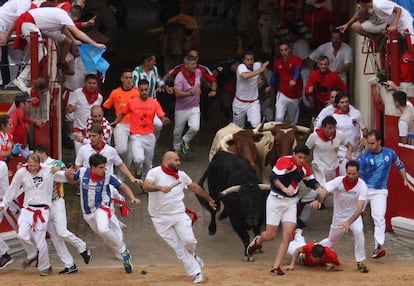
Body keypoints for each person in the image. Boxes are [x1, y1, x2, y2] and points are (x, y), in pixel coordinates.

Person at [246, 144, 327, 276]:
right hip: (276, 200)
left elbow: (310, 182)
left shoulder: (304, 168)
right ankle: (258, 241)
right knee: (271, 234)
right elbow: (274, 178)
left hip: (290, 203)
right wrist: (284, 188)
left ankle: (276, 266)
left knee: (288, 236)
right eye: (299, 157)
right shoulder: (284, 161)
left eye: (304, 158)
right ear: (294, 154)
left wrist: (319, 188)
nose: (301, 160)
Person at [143, 151, 216, 284]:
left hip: (179, 215)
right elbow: (146, 186)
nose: (179, 162)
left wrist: (209, 199)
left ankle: (192, 255)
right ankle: (196, 272)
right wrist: (160, 188)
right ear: (167, 161)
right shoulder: (154, 172)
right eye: (176, 160)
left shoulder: (181, 175)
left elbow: (194, 186)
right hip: (159, 218)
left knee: (189, 241)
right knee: (178, 248)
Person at [0, 6, 106, 91]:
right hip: (29, 23)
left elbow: (66, 32)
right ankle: (21, 79)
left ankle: (60, 63)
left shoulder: (61, 15)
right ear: (75, 18)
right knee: (41, 53)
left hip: (32, 24)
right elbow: (77, 32)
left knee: (61, 43)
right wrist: (96, 45)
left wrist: (73, 40)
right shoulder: (64, 16)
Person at [0, 153, 70, 276]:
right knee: (22, 235)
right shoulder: (22, 172)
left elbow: (66, 176)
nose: (32, 168)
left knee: (39, 239)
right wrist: (4, 203)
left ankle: (45, 267)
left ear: (39, 164)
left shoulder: (48, 170)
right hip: (27, 209)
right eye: (30, 165)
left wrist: (62, 169)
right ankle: (32, 253)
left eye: (34, 166)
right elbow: (13, 188)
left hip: (42, 210)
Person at [69, 153, 140, 273]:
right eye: (101, 167)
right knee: (104, 236)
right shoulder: (82, 172)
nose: (104, 169)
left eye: (104, 167)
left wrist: (132, 197)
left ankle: (123, 250)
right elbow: (72, 179)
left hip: (102, 206)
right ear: (92, 167)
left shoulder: (107, 176)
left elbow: (123, 186)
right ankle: (124, 257)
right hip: (87, 212)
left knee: (103, 229)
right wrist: (63, 171)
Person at [34, 144, 92, 275]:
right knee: (55, 237)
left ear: (42, 153)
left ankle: (82, 247)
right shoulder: (38, 167)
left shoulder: (56, 163)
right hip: (44, 206)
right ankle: (69, 264)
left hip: (57, 202)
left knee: (62, 232)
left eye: (37, 155)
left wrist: (61, 169)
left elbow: (69, 177)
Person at [359, 130, 414, 258]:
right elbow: (358, 175)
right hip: (365, 189)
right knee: (355, 214)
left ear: (379, 142)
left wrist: (405, 179)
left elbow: (400, 165)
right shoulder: (365, 157)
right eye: (368, 143)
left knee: (379, 217)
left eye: (372, 143)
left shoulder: (390, 153)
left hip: (380, 191)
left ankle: (378, 246)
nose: (370, 146)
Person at [298, 115, 353, 227]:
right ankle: (302, 210)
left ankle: (340, 216)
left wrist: (349, 152)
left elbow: (349, 145)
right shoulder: (314, 137)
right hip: (319, 167)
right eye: (329, 128)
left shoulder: (339, 135)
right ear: (323, 127)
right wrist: (303, 166)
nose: (331, 131)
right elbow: (305, 150)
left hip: (333, 168)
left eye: (333, 128)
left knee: (331, 192)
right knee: (318, 190)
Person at [112, 79, 170, 180]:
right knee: (138, 159)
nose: (144, 92)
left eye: (146, 90)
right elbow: (122, 113)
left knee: (148, 163)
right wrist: (115, 123)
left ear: (149, 89)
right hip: (136, 136)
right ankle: (138, 168)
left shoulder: (154, 103)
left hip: (149, 136)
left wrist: (164, 120)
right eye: (142, 90)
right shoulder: (132, 103)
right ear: (138, 90)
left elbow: (161, 116)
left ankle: (144, 182)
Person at [318, 160, 369, 273]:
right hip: (338, 218)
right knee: (331, 241)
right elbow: (325, 191)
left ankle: (360, 261)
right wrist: (319, 200)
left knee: (359, 231)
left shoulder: (362, 186)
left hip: (354, 217)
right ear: (346, 171)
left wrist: (349, 222)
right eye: (349, 173)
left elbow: (360, 208)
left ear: (358, 173)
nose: (351, 176)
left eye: (353, 174)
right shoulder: (338, 181)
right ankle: (313, 249)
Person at [103, 68, 139, 168]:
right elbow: (105, 107)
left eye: (130, 78)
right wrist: (108, 123)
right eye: (126, 78)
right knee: (122, 150)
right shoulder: (115, 93)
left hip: (134, 126)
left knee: (130, 157)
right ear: (121, 79)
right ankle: (111, 157)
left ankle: (120, 178)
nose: (128, 80)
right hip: (121, 125)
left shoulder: (138, 93)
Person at [132, 53, 172, 138]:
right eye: (153, 61)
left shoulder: (154, 69)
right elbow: (134, 89)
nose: (155, 63)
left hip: (153, 102)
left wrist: (165, 86)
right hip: (140, 104)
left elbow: (158, 80)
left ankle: (152, 142)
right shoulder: (136, 72)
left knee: (158, 125)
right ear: (146, 61)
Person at [172, 54, 204, 154]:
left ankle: (186, 139)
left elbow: (202, 81)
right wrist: (190, 93)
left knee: (195, 127)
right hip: (181, 108)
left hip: (195, 106)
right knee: (177, 131)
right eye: (192, 64)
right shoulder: (179, 77)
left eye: (195, 64)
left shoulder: (198, 72)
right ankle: (176, 148)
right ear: (186, 65)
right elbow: (177, 93)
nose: (195, 66)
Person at [332, 92, 368, 175]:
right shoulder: (334, 118)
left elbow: (364, 129)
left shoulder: (356, 113)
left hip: (358, 153)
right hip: (342, 154)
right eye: (342, 102)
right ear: (337, 104)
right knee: (346, 179)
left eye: (347, 102)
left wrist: (364, 137)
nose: (345, 104)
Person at [67, 73, 103, 154]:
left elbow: (98, 114)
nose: (92, 85)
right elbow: (69, 109)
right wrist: (72, 108)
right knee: (80, 154)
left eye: (94, 83)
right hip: (79, 130)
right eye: (90, 83)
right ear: (85, 83)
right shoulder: (77, 93)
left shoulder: (99, 97)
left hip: (93, 131)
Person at [233, 51, 269, 128]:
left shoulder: (258, 65)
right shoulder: (241, 67)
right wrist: (261, 70)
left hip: (253, 102)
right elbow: (245, 76)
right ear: (244, 60)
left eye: (251, 59)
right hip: (239, 103)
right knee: (238, 127)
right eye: (247, 59)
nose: (250, 61)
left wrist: (262, 78)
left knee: (256, 125)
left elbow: (262, 68)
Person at [270, 41, 303, 125]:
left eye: (285, 50)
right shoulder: (277, 62)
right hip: (282, 93)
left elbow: (297, 71)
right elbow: (274, 76)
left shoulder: (297, 60)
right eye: (281, 50)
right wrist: (270, 86)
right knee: (279, 118)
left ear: (290, 49)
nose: (284, 52)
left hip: (295, 95)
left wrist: (294, 80)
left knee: (291, 121)